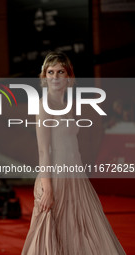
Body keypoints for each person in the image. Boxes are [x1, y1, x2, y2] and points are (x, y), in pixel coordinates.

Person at [21, 51, 126, 254]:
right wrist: (47, 187)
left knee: (83, 231)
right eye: (50, 72)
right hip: (55, 179)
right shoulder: (44, 106)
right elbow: (43, 150)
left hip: (75, 177)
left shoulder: (66, 104)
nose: (55, 77)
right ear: (44, 77)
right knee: (53, 235)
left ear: (69, 76)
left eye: (61, 72)